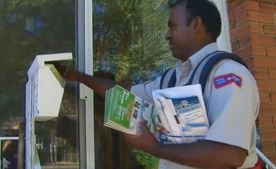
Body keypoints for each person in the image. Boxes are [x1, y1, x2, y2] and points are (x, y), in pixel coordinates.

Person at [57, 0, 259, 168]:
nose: (167, 35)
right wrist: (76, 76)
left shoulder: (227, 75)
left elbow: (230, 155)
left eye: (172, 26)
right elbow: (122, 94)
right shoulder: (172, 78)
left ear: (196, 24)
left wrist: (152, 146)